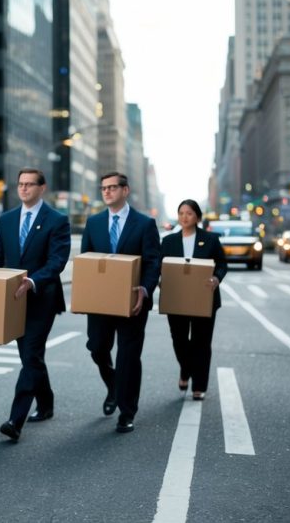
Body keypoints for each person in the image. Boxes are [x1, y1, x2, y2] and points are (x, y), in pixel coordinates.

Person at [0, 168, 71, 442]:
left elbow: (57, 262)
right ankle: (46, 403)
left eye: (30, 184)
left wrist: (33, 282)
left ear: (42, 188)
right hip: (13, 300)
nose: (23, 189)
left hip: (41, 298)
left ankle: (15, 419)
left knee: (31, 354)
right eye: (20, 184)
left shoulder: (57, 220)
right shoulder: (7, 219)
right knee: (30, 357)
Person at [81, 172, 161, 434]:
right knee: (97, 347)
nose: (107, 192)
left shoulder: (144, 224)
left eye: (112, 187)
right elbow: (87, 262)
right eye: (103, 188)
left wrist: (145, 290)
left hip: (133, 302)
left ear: (125, 191)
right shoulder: (93, 223)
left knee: (128, 356)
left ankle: (127, 412)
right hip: (101, 302)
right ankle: (113, 385)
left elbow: (152, 262)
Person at [160, 199, 228, 401]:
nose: (184, 217)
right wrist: (158, 281)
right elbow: (159, 266)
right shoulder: (169, 241)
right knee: (179, 340)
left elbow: (222, 264)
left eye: (189, 213)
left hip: (204, 298)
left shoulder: (210, 239)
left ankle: (199, 385)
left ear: (197, 217)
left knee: (202, 342)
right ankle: (185, 369)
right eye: (181, 213)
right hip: (177, 299)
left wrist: (217, 278)